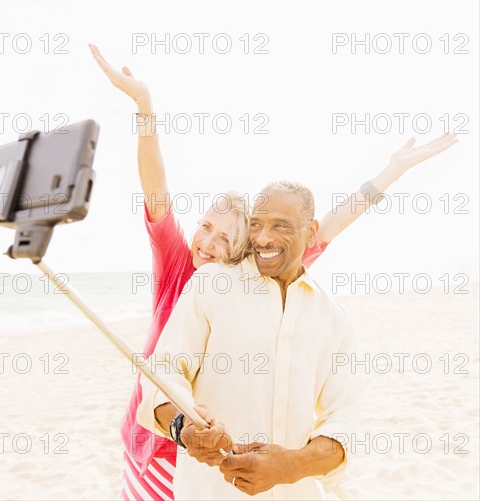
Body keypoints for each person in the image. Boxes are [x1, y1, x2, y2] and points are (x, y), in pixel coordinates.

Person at [88, 43, 458, 501]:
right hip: (158, 438)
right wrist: (145, 107)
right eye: (204, 227)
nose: (208, 242)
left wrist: (392, 171)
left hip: (221, 459)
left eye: (226, 238)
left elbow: (333, 222)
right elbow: (156, 189)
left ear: (242, 247)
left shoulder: (268, 277)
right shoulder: (182, 267)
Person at [136, 181, 363, 500]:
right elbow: (162, 375)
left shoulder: (333, 317)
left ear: (310, 233)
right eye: (256, 225)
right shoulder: (210, 284)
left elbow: (346, 419)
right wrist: (183, 424)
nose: (263, 238)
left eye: (279, 226)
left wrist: (292, 465)